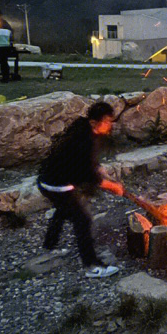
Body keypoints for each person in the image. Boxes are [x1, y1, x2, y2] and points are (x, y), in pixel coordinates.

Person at [37, 101, 124, 278]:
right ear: (94, 122)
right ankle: (91, 266)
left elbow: (84, 162)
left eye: (111, 120)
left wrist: (98, 168)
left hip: (46, 179)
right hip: (56, 184)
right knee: (82, 220)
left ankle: (49, 246)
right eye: (107, 121)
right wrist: (112, 186)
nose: (111, 125)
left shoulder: (82, 126)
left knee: (62, 210)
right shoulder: (84, 140)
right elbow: (88, 174)